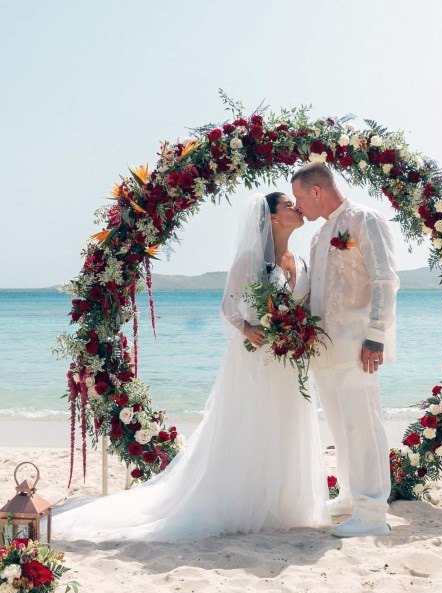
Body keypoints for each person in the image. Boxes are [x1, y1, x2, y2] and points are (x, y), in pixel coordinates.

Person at [51, 192, 329, 542]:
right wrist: (249, 329)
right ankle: (244, 502)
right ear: (272, 217)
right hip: (256, 358)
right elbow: (227, 309)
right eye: (288, 204)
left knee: (286, 426)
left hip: (289, 361)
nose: (297, 207)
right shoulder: (249, 260)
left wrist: (299, 335)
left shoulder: (300, 261)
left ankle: (285, 504)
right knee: (252, 425)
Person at [292, 163, 399, 538]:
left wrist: (376, 335)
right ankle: (352, 497)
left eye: (300, 196)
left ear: (317, 191)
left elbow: (385, 279)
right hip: (323, 349)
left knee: (363, 426)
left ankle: (372, 514)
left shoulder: (363, 219)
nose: (297, 204)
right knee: (341, 426)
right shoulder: (318, 237)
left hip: (357, 346)